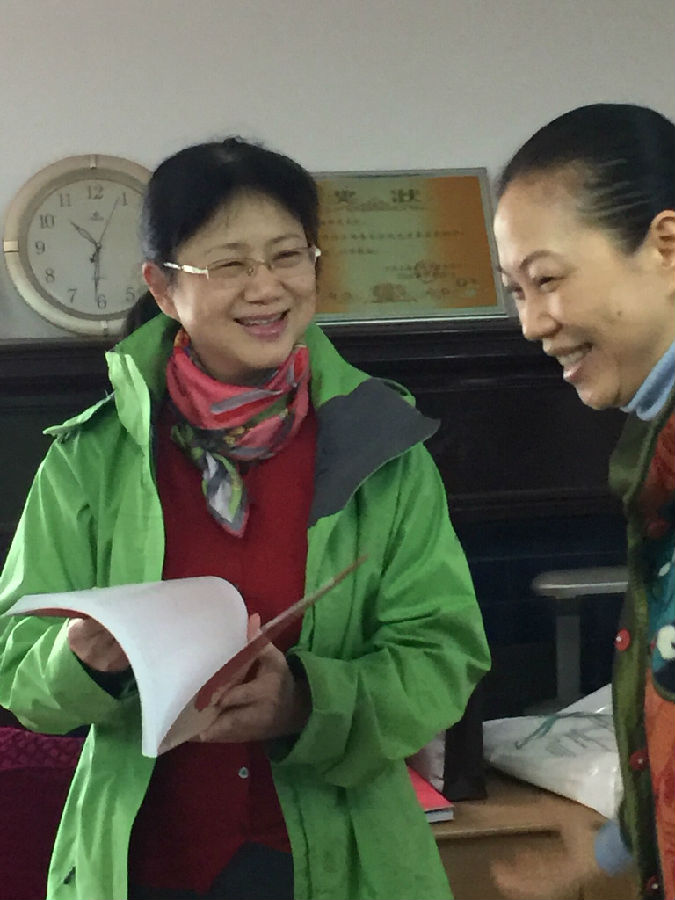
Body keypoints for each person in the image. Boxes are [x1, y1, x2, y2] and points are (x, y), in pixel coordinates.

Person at [0, 136, 490, 900]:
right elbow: (16, 667)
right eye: (228, 264)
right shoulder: (91, 458)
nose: (266, 287)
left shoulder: (380, 446)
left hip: (339, 862)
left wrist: (305, 701)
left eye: (287, 256)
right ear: (163, 288)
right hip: (140, 864)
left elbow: (442, 654)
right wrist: (81, 659)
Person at [492, 103, 674, 900]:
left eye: (547, 280)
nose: (532, 323)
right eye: (515, 290)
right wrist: (612, 850)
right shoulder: (656, 443)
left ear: (665, 246)